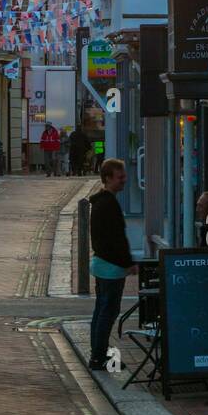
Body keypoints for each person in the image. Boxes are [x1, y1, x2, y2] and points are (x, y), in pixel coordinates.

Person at [88, 158, 133, 371]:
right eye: (120, 177)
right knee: (108, 312)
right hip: (111, 268)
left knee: (101, 311)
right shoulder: (108, 204)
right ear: (107, 178)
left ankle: (98, 353)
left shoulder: (101, 202)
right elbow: (116, 239)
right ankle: (98, 357)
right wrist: (127, 262)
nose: (124, 180)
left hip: (102, 265)